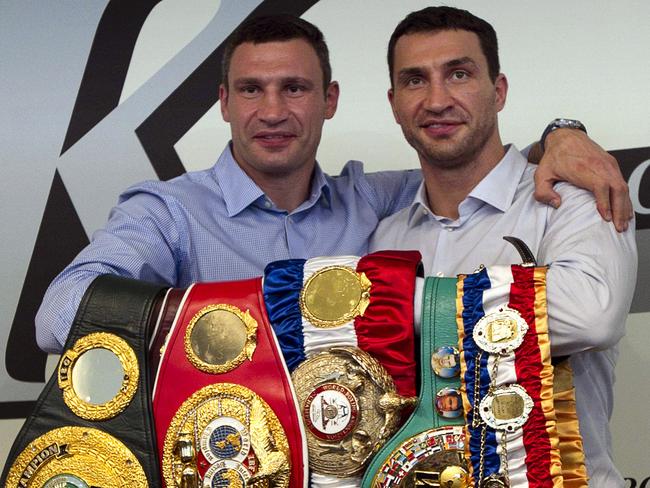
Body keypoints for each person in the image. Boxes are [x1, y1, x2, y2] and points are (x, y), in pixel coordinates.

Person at [35, 14, 630, 354]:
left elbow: (462, 157)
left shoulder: (376, 203)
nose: (272, 112)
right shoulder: (169, 211)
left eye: (294, 88)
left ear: (330, 101)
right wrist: (234, 318)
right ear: (223, 103)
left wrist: (560, 136)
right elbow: (57, 316)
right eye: (250, 90)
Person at [369, 7, 637, 486]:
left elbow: (592, 314)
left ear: (499, 91)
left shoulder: (575, 198)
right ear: (393, 103)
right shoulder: (386, 237)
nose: (437, 99)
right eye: (415, 80)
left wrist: (395, 301)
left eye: (458, 74)